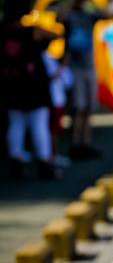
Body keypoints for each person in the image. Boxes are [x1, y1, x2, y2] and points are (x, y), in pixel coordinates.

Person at [1, 12, 59, 179]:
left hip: (12, 88)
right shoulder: (31, 33)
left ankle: (16, 161)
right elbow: (56, 34)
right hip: (33, 88)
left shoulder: (5, 35)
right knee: (39, 125)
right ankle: (43, 163)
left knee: (16, 125)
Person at [58, 0, 111, 160]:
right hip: (75, 66)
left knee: (88, 108)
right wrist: (73, 0)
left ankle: (86, 144)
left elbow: (107, 14)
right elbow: (59, 17)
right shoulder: (70, 16)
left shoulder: (89, 15)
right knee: (78, 108)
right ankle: (75, 144)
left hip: (89, 66)